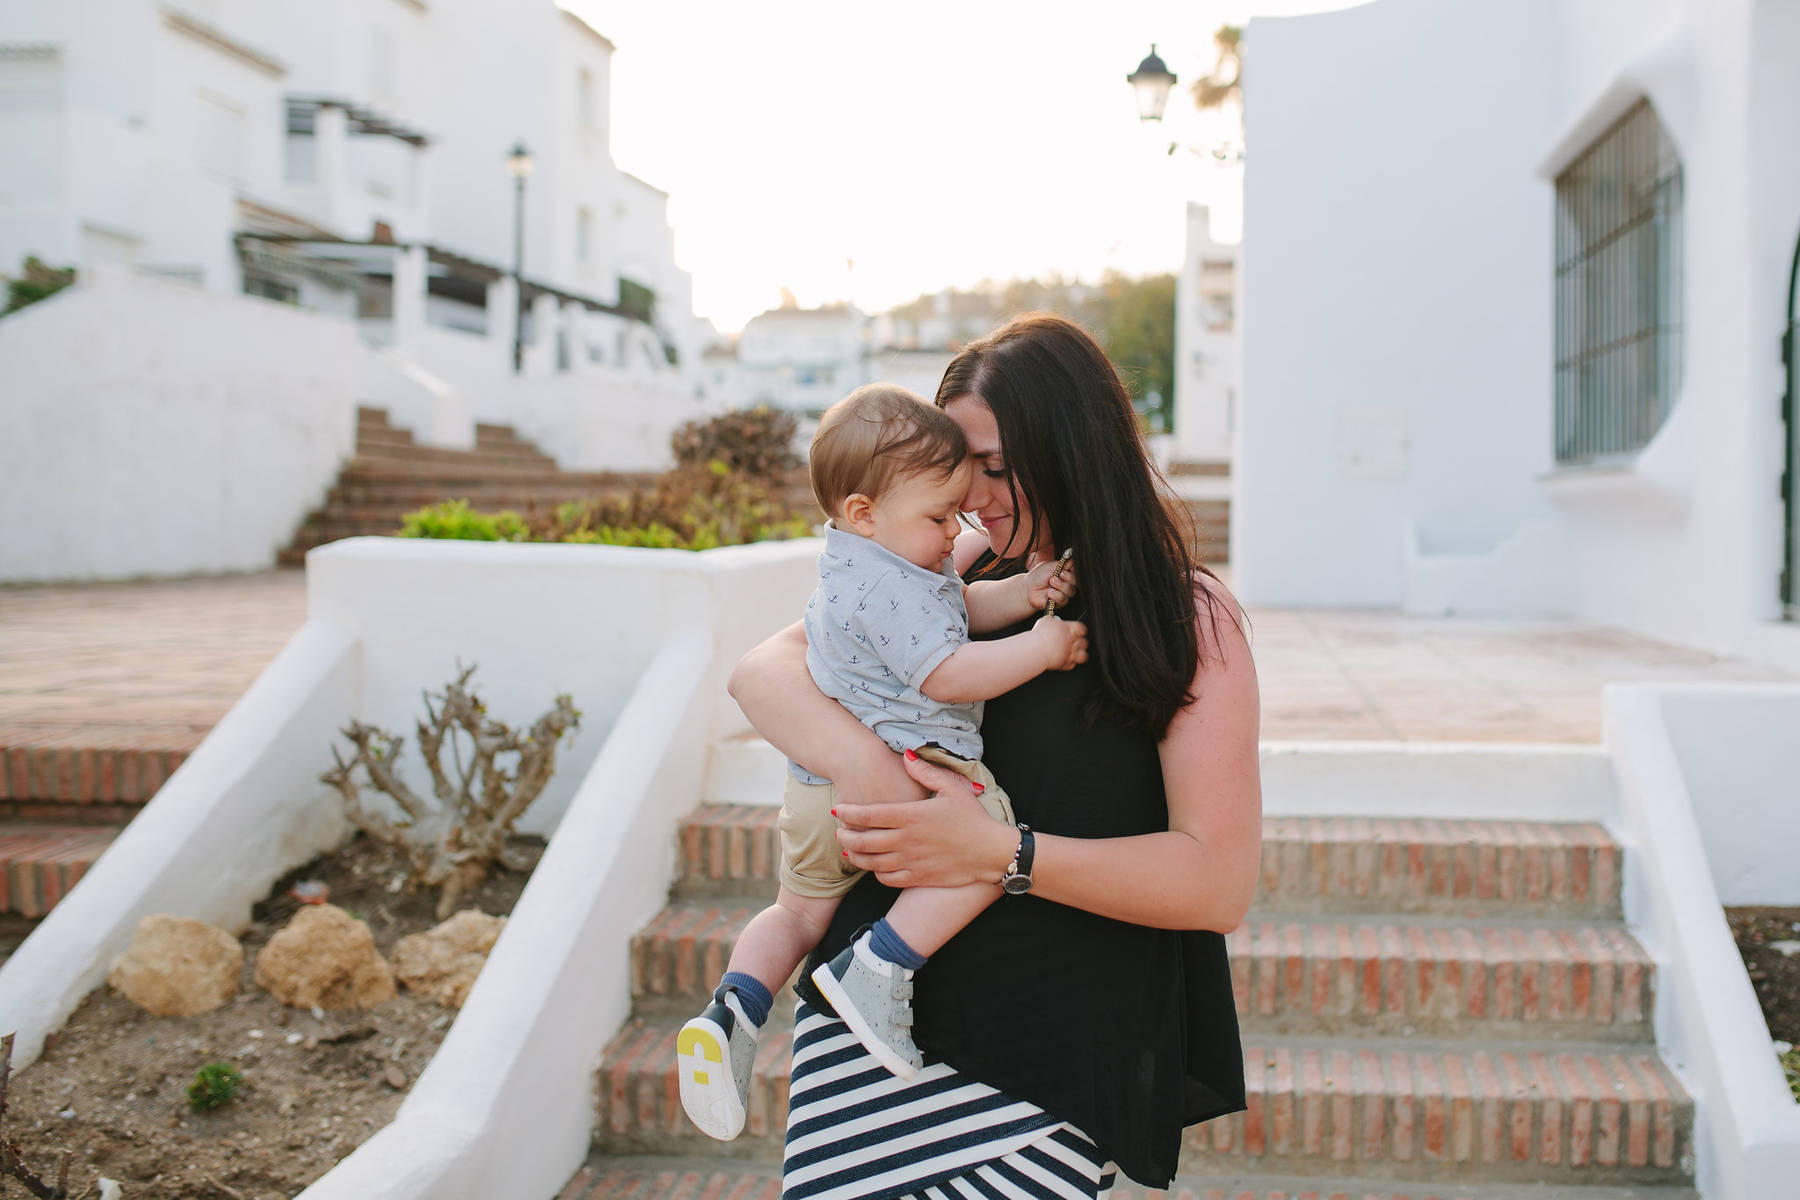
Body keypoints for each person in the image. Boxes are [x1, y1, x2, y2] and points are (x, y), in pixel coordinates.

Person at [728, 314, 1261, 1199]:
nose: (971, 494)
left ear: (1073, 445)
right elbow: (762, 674)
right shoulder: (948, 571)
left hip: (1042, 1068)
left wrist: (996, 854)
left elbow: (1217, 883)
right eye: (955, 466)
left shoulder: (1185, 616)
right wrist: (871, 774)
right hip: (869, 1036)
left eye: (996, 466)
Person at [678, 384, 1088, 1142]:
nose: (955, 530)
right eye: (941, 518)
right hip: (914, 769)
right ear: (865, 510)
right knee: (986, 843)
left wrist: (1026, 591)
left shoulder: (866, 565)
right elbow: (950, 673)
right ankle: (881, 967)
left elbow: (961, 604)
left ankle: (732, 1008)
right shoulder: (885, 588)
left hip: (815, 793)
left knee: (796, 911)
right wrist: (1045, 644)